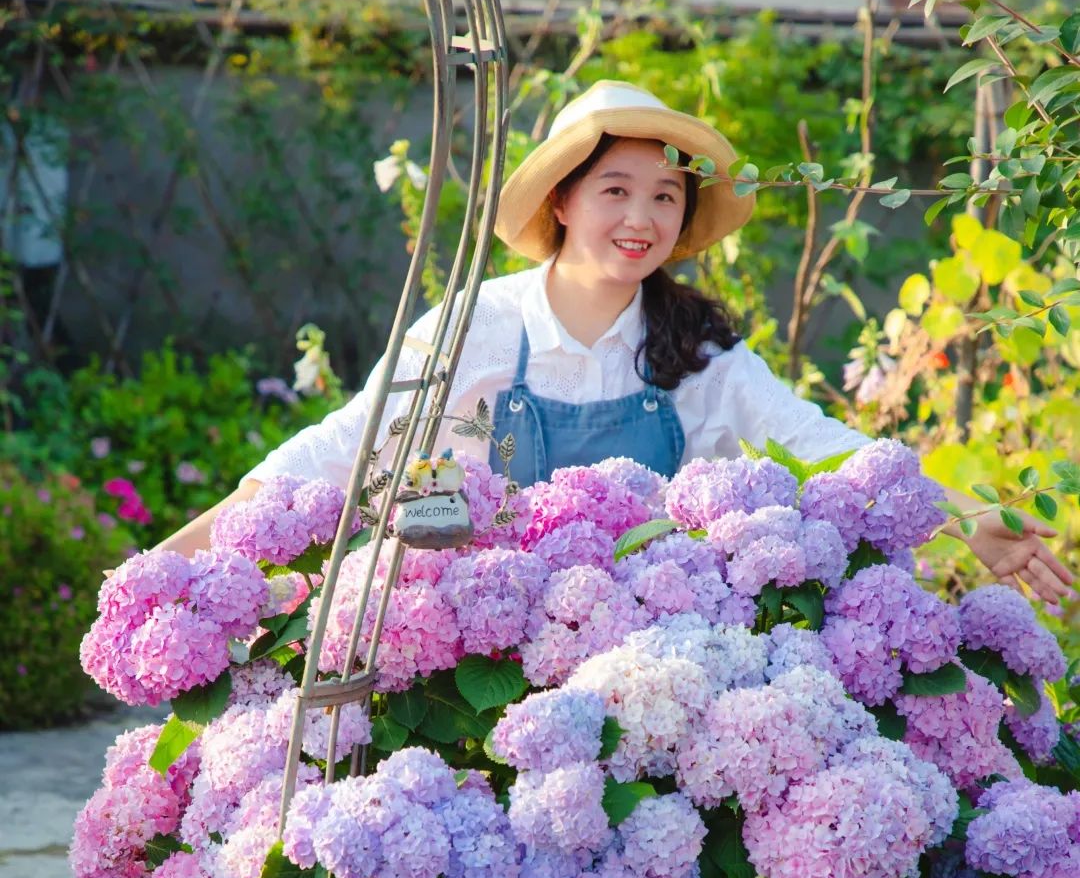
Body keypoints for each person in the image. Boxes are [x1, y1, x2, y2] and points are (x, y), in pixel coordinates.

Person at [161, 81, 1071, 604]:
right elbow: (341, 449)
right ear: (561, 201)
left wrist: (967, 519)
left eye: (665, 197)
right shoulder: (477, 324)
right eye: (615, 191)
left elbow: (822, 447)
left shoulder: (695, 350)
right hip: (476, 660)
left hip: (646, 661)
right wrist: (172, 557)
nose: (642, 219)